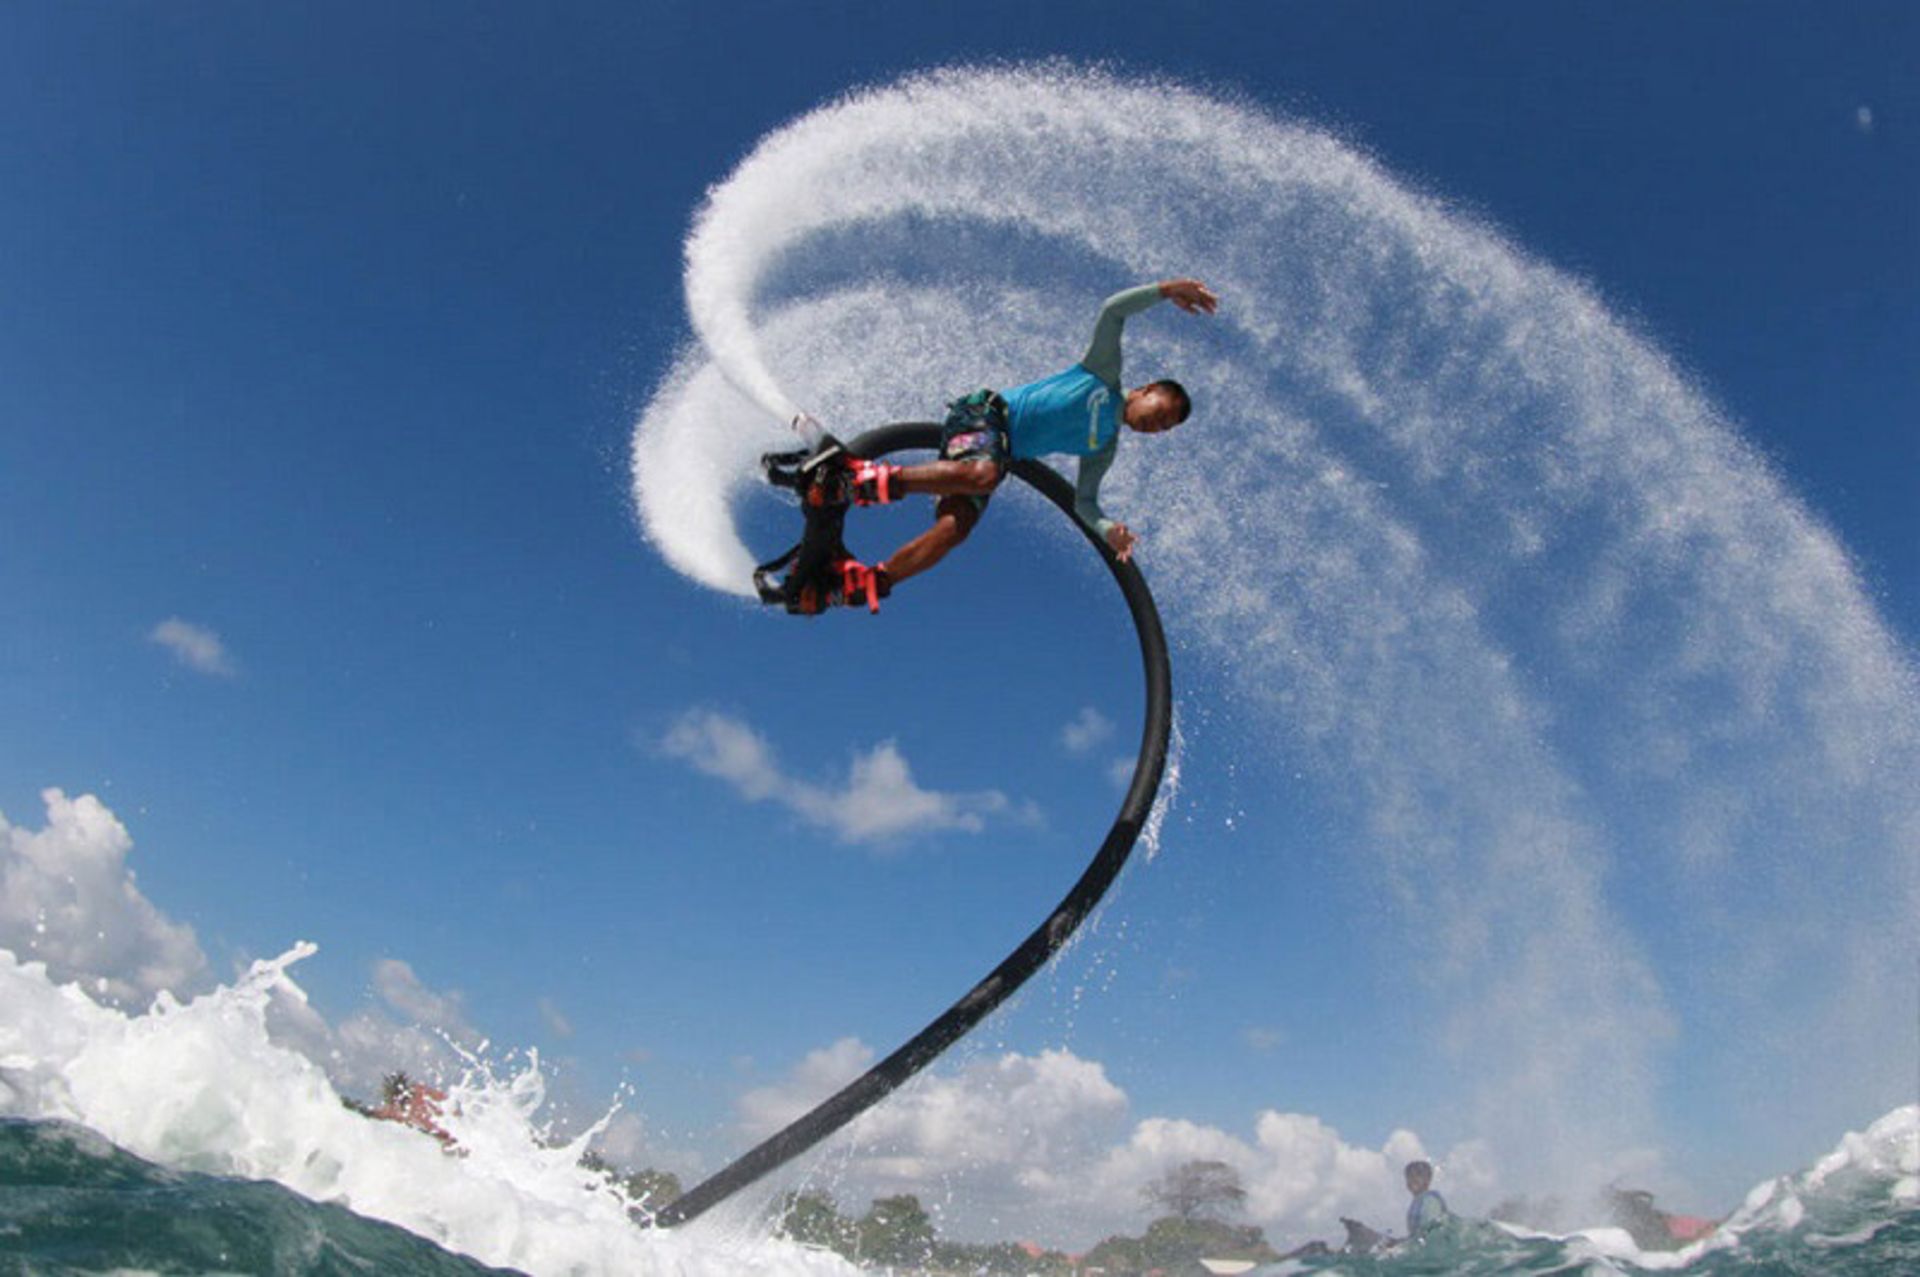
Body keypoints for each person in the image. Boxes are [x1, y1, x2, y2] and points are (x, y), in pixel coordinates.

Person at [814, 278, 1218, 603]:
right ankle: (860, 479)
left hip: (993, 457)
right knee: (984, 475)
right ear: (1146, 390)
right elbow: (1113, 311)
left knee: (955, 529)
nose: (1157, 426)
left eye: (1165, 428)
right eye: (1161, 413)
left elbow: (1085, 502)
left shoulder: (1104, 447)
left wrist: (1108, 529)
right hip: (985, 416)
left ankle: (866, 581)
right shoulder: (1103, 375)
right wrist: (1165, 291)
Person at [1404, 1160, 1452, 1239]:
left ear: (1428, 1179)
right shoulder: (1419, 1201)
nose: (1413, 1179)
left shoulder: (1430, 1201)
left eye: (1418, 1175)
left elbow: (1431, 1235)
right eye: (1409, 1176)